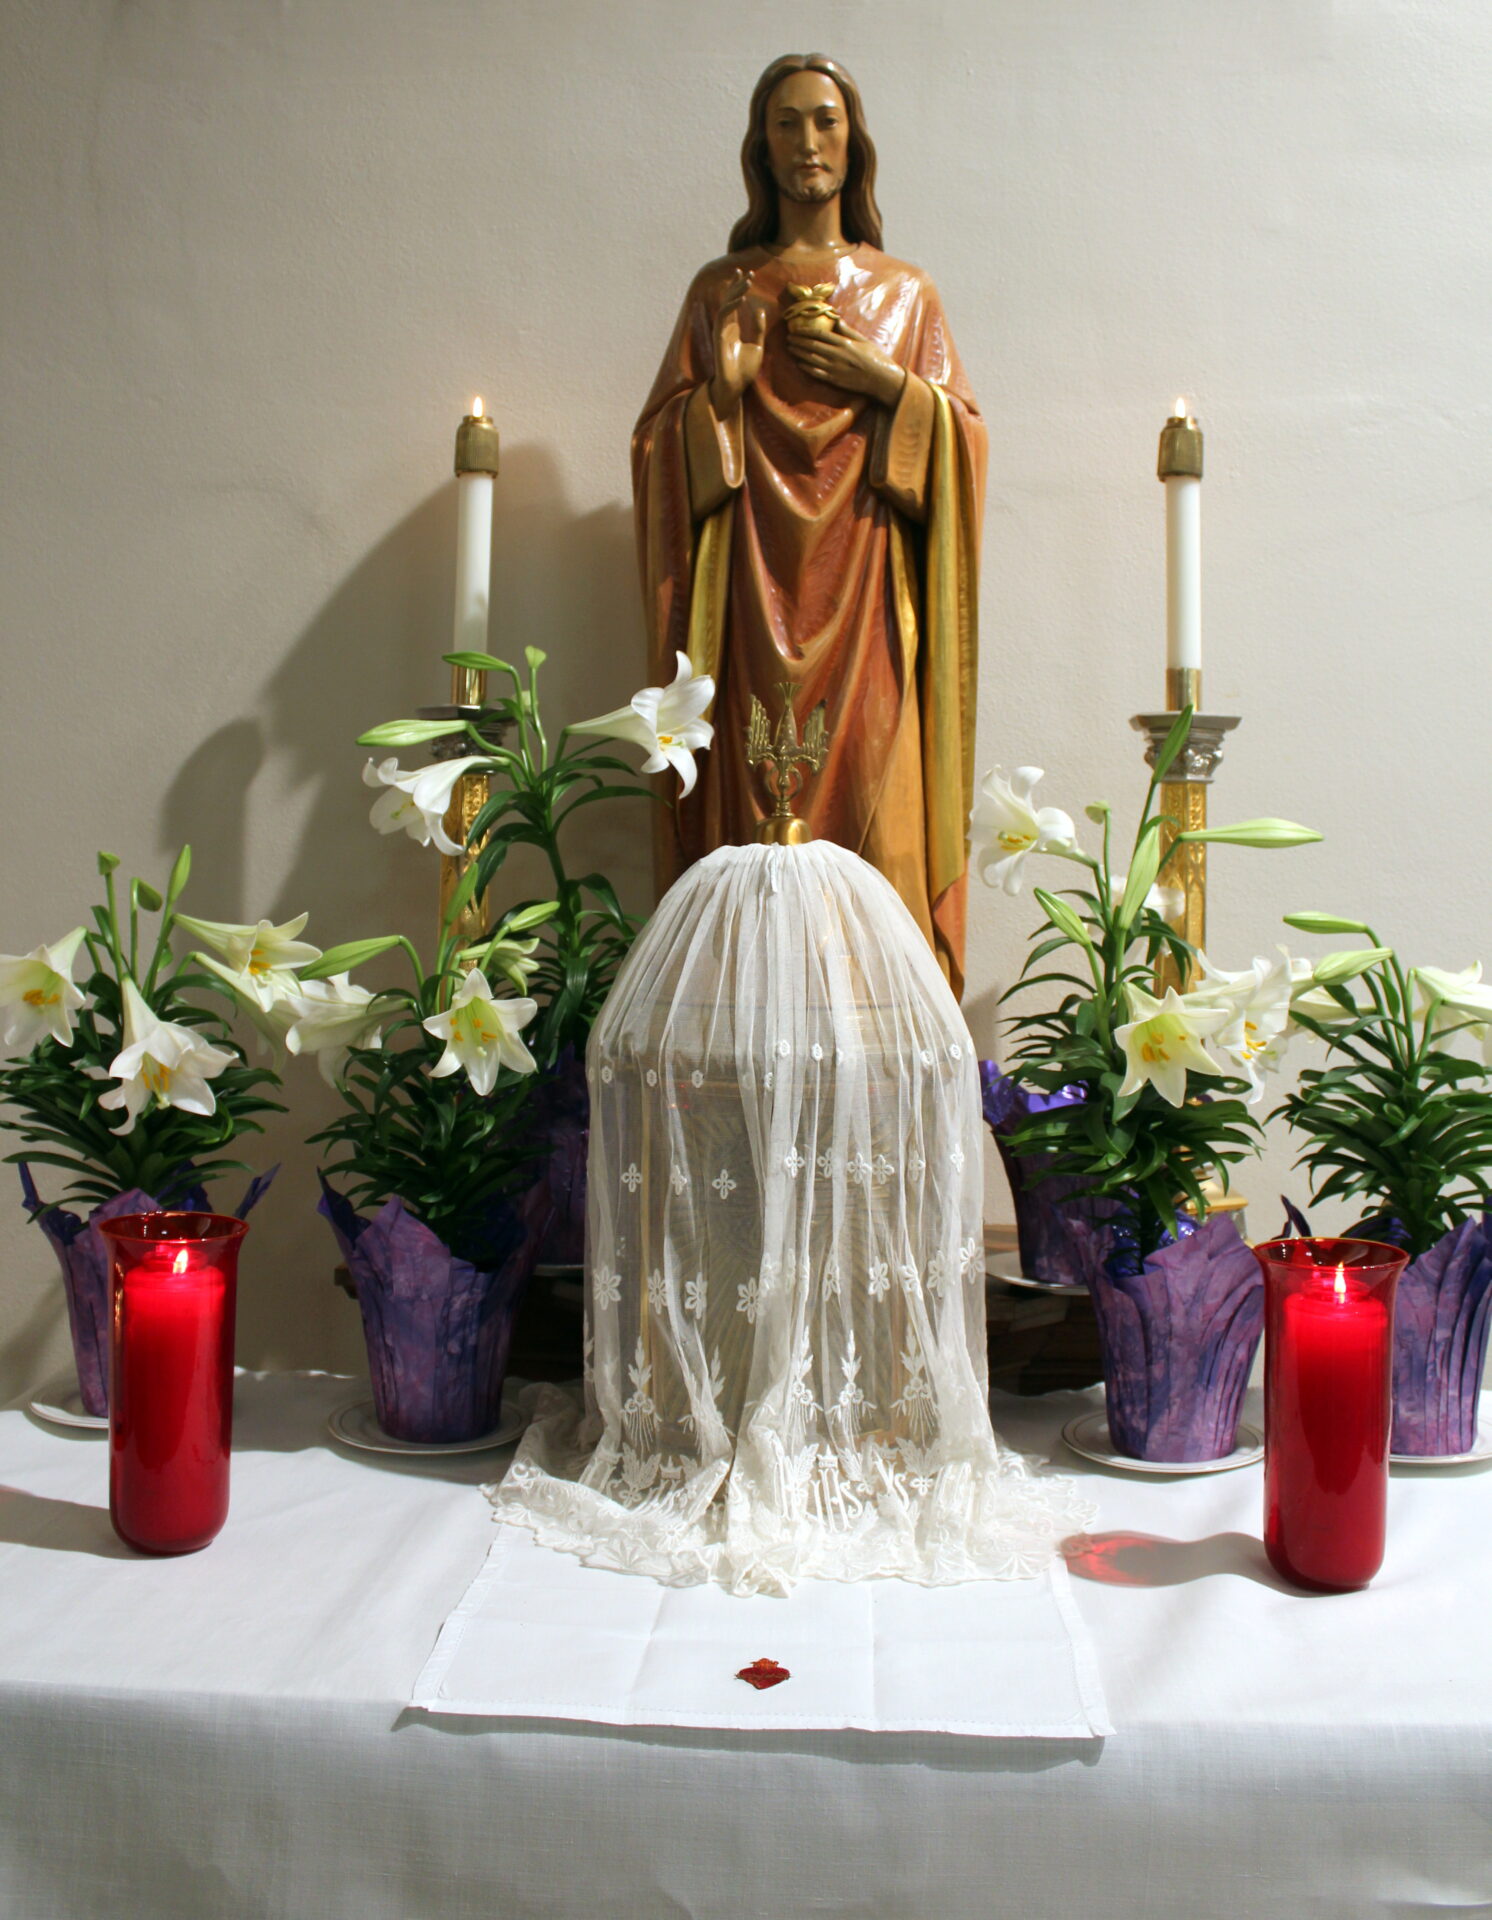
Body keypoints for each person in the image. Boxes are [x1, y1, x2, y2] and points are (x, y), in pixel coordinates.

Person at [633, 52, 987, 993]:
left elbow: (961, 444)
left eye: (825, 121)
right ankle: (746, 1021)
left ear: (854, 141)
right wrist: (727, 392)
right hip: (751, 600)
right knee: (750, 798)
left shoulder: (907, 295)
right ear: (761, 147)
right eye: (786, 123)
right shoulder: (723, 292)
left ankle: (881, 1012)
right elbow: (657, 452)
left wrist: (886, 385)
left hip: (868, 594)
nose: (807, 143)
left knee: (880, 781)